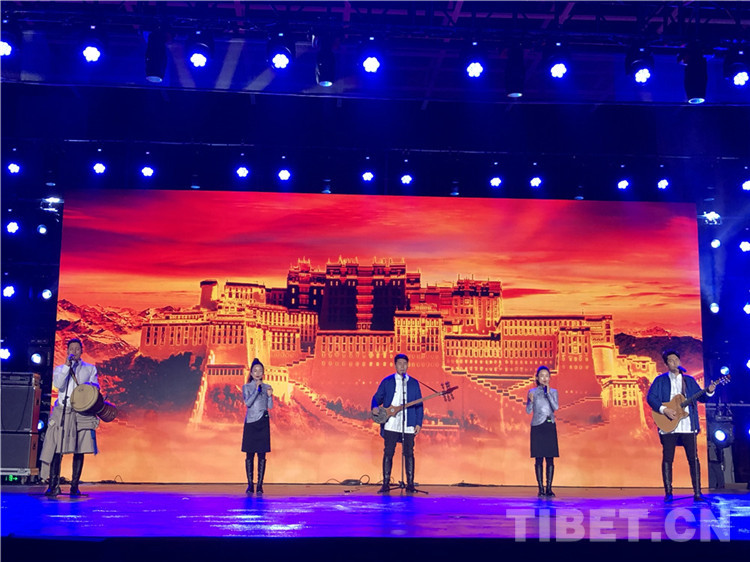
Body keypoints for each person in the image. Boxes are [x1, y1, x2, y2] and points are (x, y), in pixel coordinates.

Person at [647, 350, 716, 502]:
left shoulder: (689, 381)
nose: (674, 362)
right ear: (666, 364)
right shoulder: (660, 380)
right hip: (668, 423)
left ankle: (697, 492)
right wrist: (664, 410)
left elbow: (702, 398)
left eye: (676, 360)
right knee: (668, 458)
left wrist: (710, 392)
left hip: (687, 424)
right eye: (671, 360)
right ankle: (668, 492)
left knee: (693, 458)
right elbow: (651, 397)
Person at [40, 338, 100, 497]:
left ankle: (74, 486)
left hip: (81, 412)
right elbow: (59, 385)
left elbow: (95, 388)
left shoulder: (90, 368)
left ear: (82, 351)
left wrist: (86, 390)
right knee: (56, 448)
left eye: (77, 349)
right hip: (63, 411)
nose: (74, 351)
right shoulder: (60, 369)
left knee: (79, 449)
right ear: (67, 351)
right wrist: (67, 366)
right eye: (71, 349)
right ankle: (53, 485)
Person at [371, 353, 423, 493]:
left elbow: (419, 404)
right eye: (399, 363)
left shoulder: (413, 383)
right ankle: (386, 483)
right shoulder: (387, 381)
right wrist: (375, 407)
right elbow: (376, 398)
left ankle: (410, 484)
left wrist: (418, 422)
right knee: (388, 452)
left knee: (409, 453)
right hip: (391, 422)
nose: (402, 366)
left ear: (408, 365)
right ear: (395, 365)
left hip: (408, 423)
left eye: (404, 364)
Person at [241, 358, 273, 495]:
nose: (258, 373)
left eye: (260, 370)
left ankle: (260, 485)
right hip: (251, 423)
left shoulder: (267, 387)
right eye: (255, 370)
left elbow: (270, 406)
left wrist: (270, 396)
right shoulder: (246, 387)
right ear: (251, 373)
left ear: (263, 372)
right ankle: (250, 484)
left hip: (263, 422)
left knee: (262, 454)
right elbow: (248, 403)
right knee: (249, 454)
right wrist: (256, 390)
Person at [526, 365, 559, 498]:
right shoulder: (532, 391)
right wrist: (530, 401)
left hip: (549, 426)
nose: (544, 378)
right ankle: (540, 488)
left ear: (549, 378)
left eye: (547, 376)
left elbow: (555, 407)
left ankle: (549, 488)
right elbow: (528, 411)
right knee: (538, 458)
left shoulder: (554, 392)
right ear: (537, 378)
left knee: (550, 459)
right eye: (542, 376)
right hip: (537, 427)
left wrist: (548, 394)